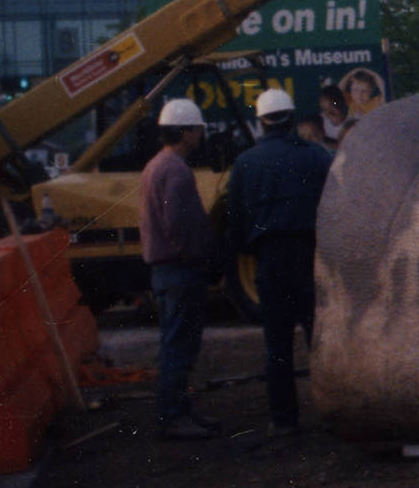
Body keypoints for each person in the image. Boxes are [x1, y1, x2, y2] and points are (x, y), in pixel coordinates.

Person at [226, 88, 333, 437]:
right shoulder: (317, 156)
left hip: (269, 262)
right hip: (308, 257)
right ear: (291, 119)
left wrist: (255, 251)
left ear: (261, 122)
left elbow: (236, 224)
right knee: (319, 338)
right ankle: (335, 410)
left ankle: (284, 419)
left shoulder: (244, 164)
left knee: (277, 344)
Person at [138, 97, 219, 439]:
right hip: (180, 270)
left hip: (167, 269)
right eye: (197, 129)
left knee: (177, 343)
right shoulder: (176, 171)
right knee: (179, 346)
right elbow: (178, 225)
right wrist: (201, 256)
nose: (200, 135)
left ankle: (181, 411)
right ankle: (173, 416)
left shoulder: (157, 166)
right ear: (185, 132)